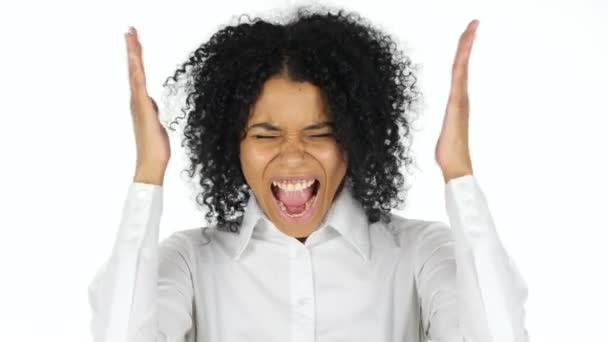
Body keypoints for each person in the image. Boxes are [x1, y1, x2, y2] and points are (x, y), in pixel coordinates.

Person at [88, 7, 529, 342]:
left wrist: (459, 175)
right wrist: (148, 175)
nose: (293, 157)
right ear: (232, 144)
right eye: (266, 135)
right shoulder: (189, 261)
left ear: (355, 139)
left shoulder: (417, 253)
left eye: (319, 132)